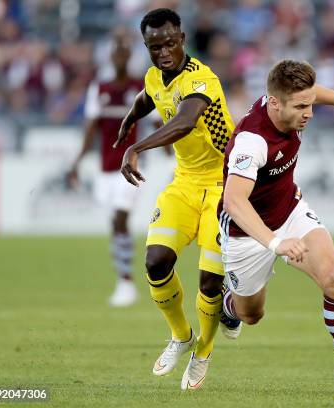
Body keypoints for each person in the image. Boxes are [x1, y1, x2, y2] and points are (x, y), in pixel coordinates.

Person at [218, 60, 334, 393]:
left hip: (290, 211)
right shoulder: (251, 142)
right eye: (301, 107)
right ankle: (228, 306)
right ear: (274, 103)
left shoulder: (288, 102)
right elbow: (234, 203)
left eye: (309, 104)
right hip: (247, 230)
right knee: (251, 314)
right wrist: (274, 244)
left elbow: (311, 94)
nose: (308, 113)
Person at [113, 8, 239, 390]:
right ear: (147, 47)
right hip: (183, 184)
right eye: (155, 46)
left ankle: (203, 352)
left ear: (183, 39)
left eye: (170, 43)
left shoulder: (202, 78)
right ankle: (181, 336)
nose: (164, 52)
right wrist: (129, 117)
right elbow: (149, 95)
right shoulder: (155, 75)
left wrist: (136, 146)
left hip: (223, 187)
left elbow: (184, 120)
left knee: (208, 282)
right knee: (155, 262)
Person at [68, 34, 143, 307]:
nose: (121, 57)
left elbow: (158, 123)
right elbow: (91, 130)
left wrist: (174, 161)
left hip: (131, 167)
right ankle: (124, 279)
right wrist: (76, 163)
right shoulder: (99, 88)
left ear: (130, 56)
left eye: (125, 52)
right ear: (111, 57)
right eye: (117, 53)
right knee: (115, 223)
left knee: (122, 217)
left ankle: (126, 282)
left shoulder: (141, 87)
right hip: (105, 169)